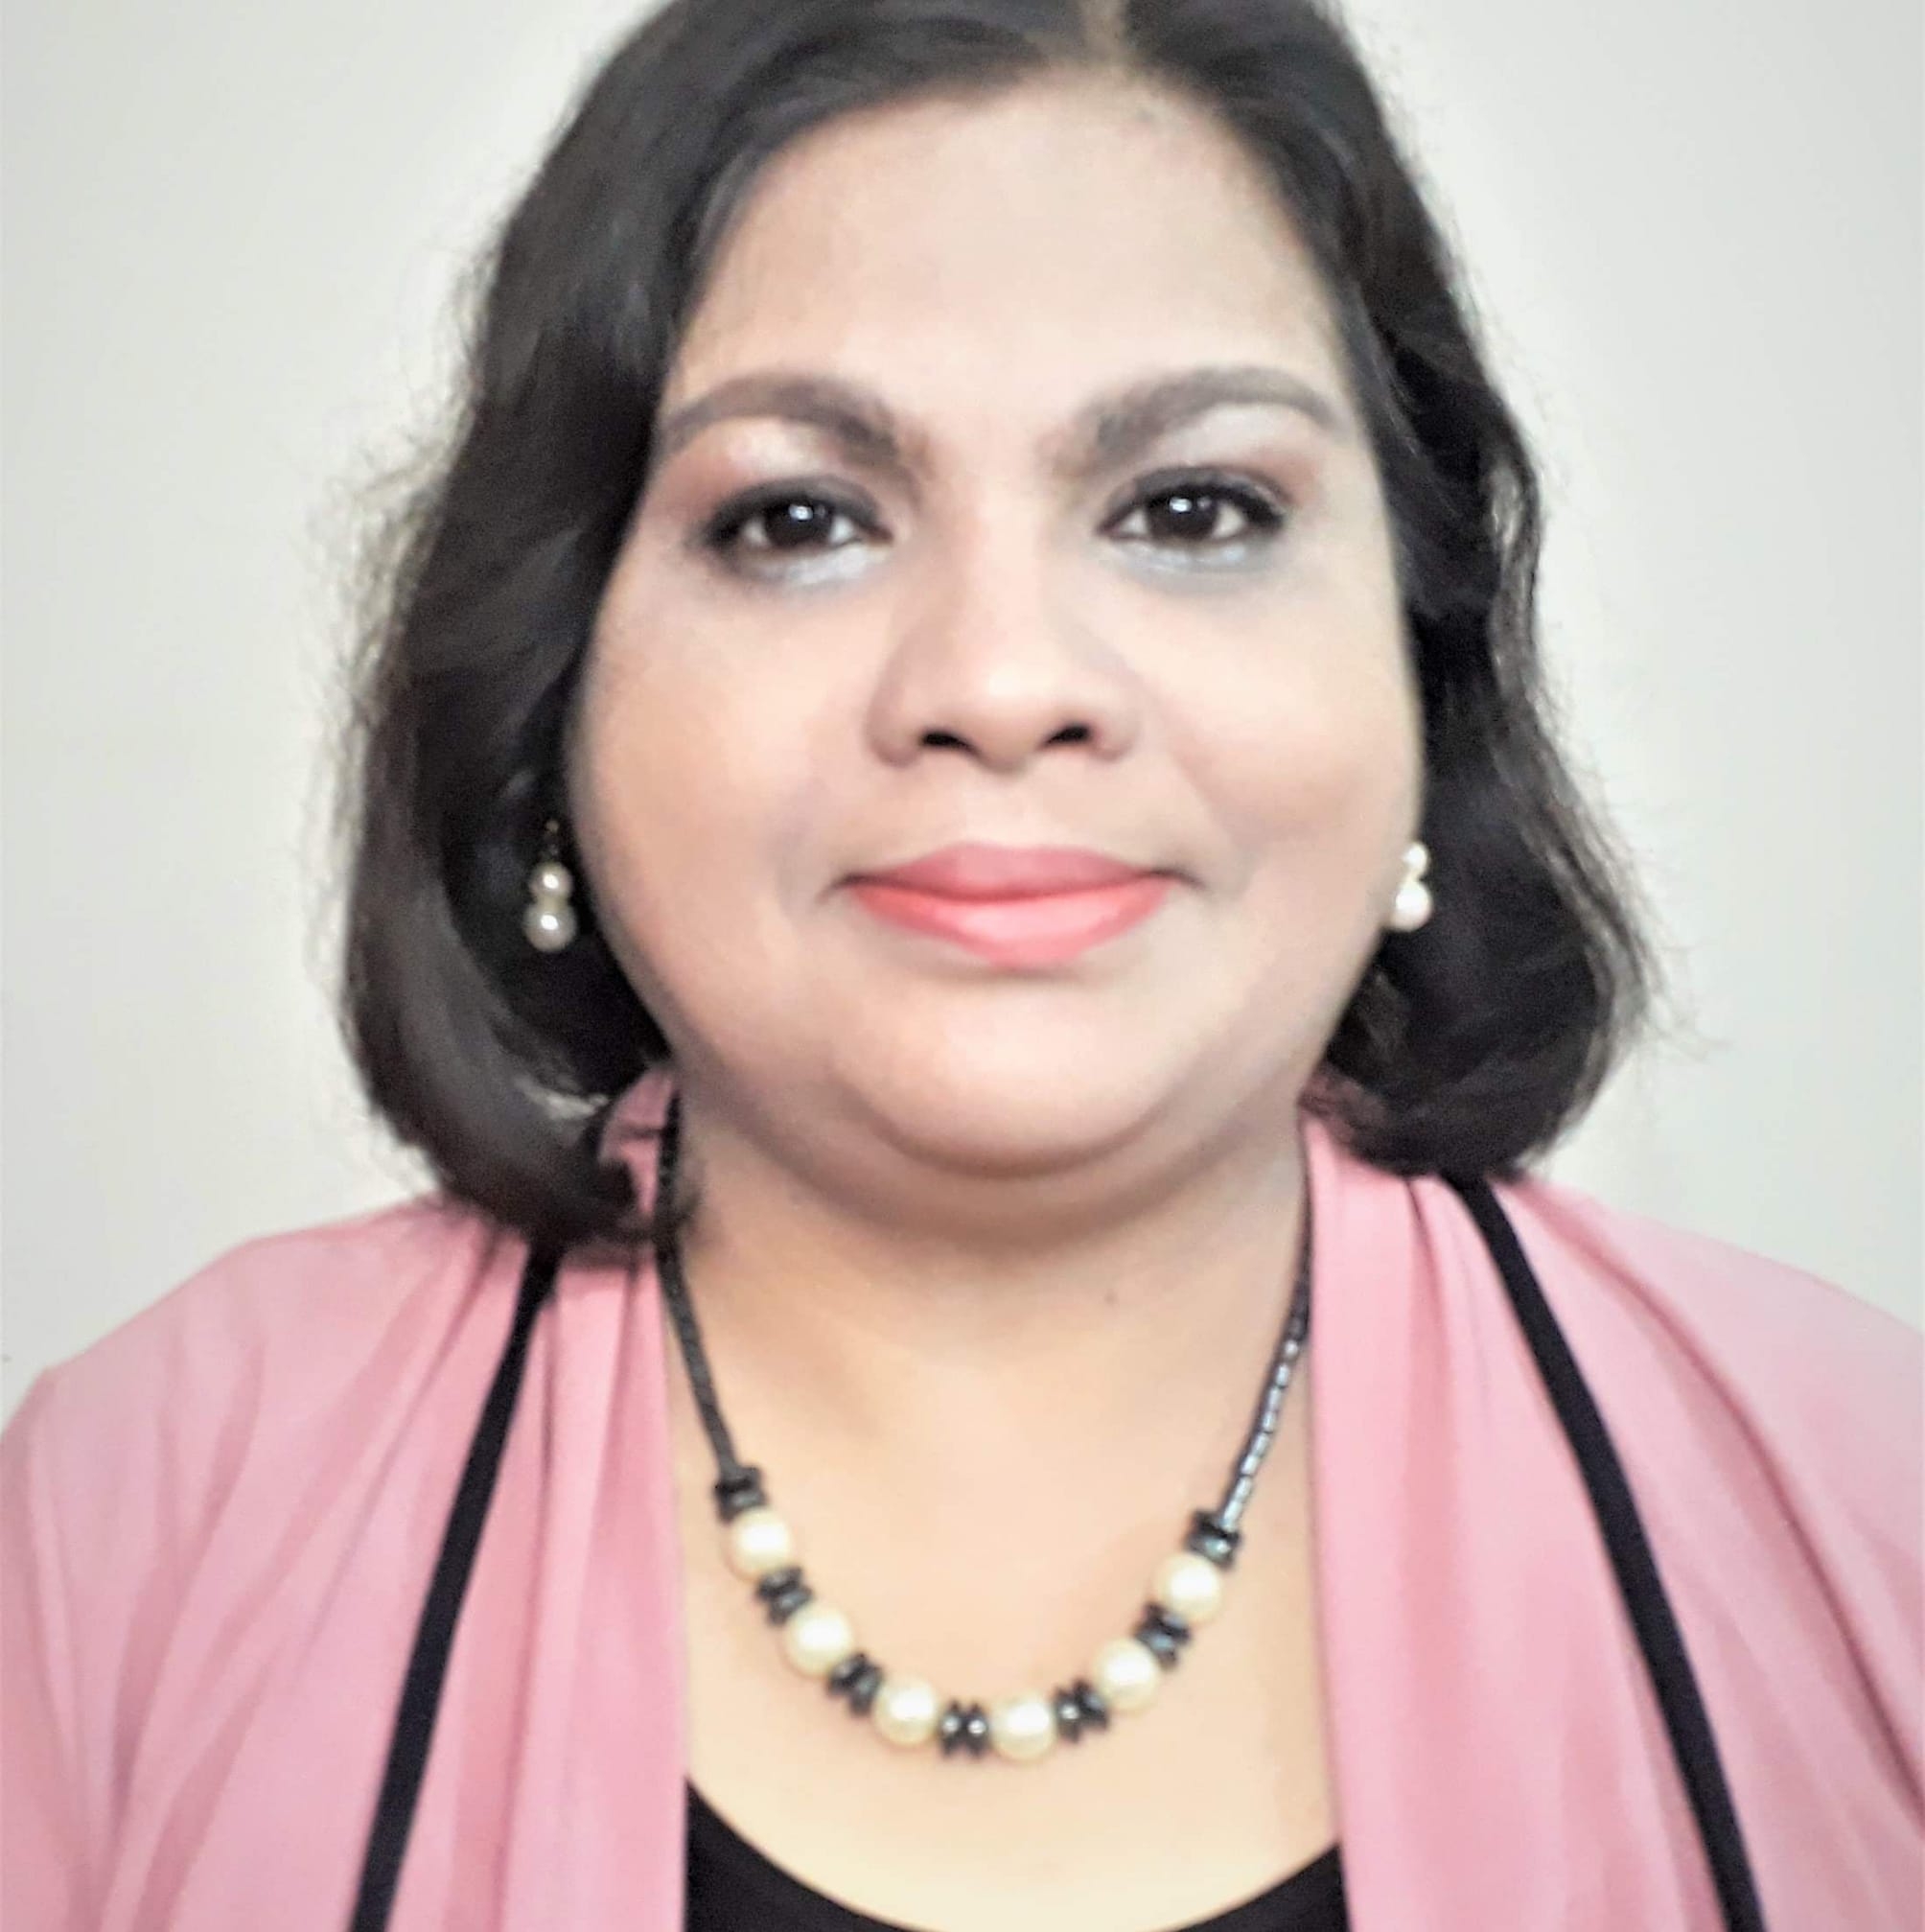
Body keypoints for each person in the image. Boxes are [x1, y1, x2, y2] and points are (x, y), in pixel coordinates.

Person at [3, 0, 1918, 1926]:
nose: (1001, 682)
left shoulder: (1871, 1511)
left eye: (1191, 509)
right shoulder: (127, 1521)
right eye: (798, 520)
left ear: (1425, 663)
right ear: (549, 678)